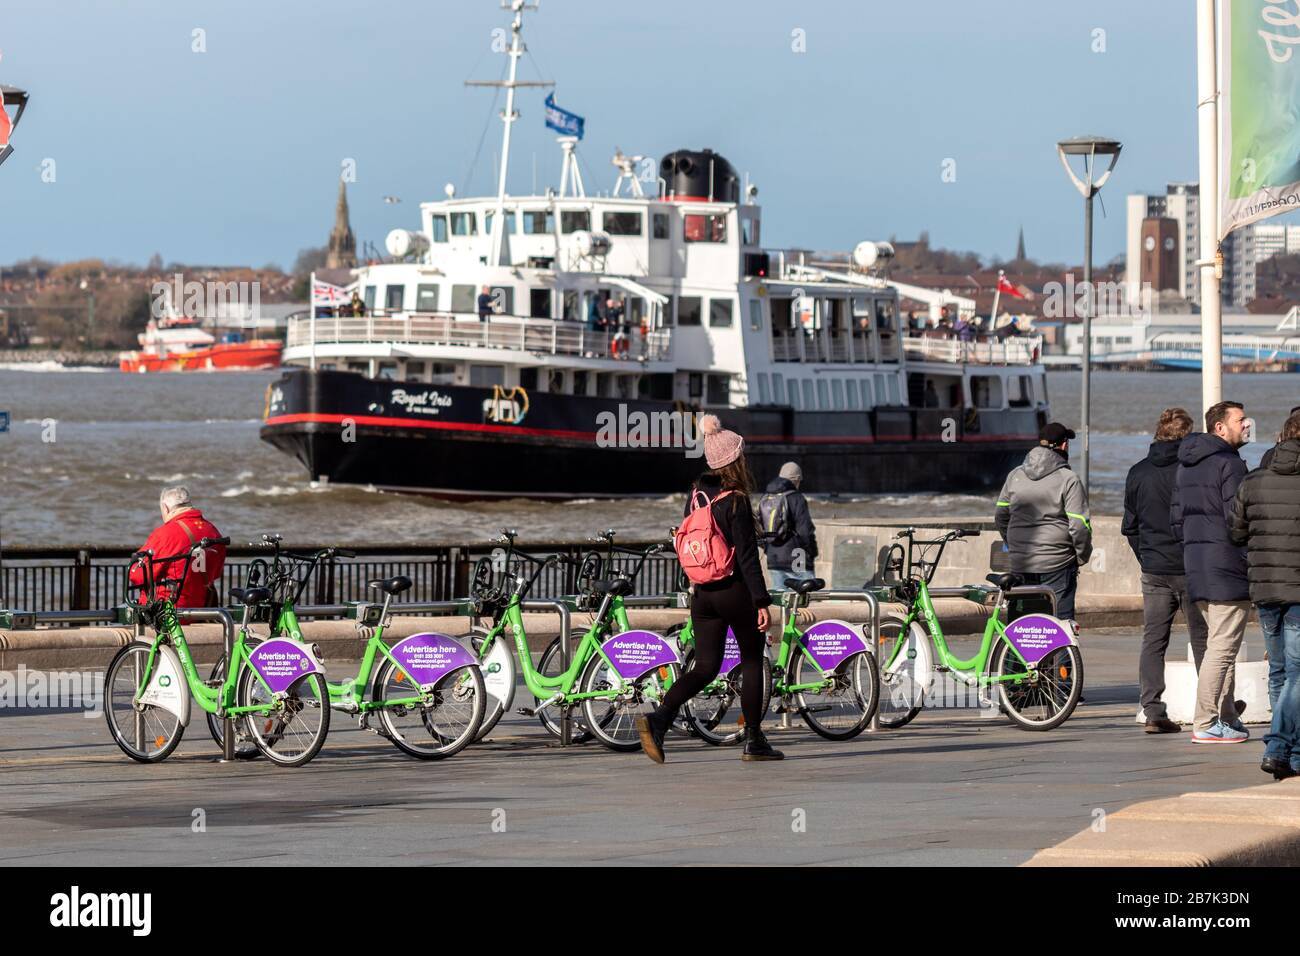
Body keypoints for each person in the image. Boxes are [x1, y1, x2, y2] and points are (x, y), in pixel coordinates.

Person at [637, 415, 779, 763]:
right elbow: (747, 558)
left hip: (702, 593)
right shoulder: (736, 500)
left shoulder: (696, 495)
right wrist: (761, 601)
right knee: (751, 660)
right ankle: (754, 740)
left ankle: (659, 718)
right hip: (733, 591)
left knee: (705, 666)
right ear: (735, 460)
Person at [1122, 407, 1208, 734]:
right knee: (1203, 639)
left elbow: (1130, 527)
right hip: (1189, 567)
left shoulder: (1137, 472)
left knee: (1153, 640)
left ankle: (1153, 710)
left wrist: (1147, 558)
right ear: (1187, 435)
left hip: (1154, 568)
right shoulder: (1191, 471)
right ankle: (1215, 706)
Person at [1172, 400, 1251, 744]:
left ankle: (1228, 716)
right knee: (1221, 648)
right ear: (1220, 427)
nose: (1246, 425)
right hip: (1227, 568)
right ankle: (1204, 720)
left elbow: (1177, 521)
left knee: (1223, 646)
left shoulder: (1186, 464)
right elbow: (1240, 520)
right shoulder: (1230, 464)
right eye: (1240, 420)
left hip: (1198, 567)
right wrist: (1247, 556)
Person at [1230, 410, 1300, 777]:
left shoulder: (1253, 481)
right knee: (1298, 673)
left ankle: (1289, 753)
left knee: (1279, 670)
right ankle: (1280, 746)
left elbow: (1236, 532)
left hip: (1265, 588)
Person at [993, 422, 1092, 623]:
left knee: (1021, 625)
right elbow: (1079, 525)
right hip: (1058, 562)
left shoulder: (1015, 475)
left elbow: (1001, 516)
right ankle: (1063, 655)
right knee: (1061, 625)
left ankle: (1012, 656)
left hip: (1022, 561)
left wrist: (1015, 546)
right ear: (1064, 446)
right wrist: (1082, 556)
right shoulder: (1068, 479)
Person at [129, 486, 226, 608]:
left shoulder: (166, 534)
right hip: (202, 608)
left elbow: (138, 575)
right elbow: (216, 573)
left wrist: (133, 566)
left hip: (167, 611)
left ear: (165, 508)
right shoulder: (212, 531)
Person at [761, 462, 818, 590]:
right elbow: (805, 532)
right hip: (798, 558)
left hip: (774, 559)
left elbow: (759, 529)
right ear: (796, 480)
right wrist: (811, 552)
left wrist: (768, 549)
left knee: (782, 603)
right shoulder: (796, 498)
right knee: (807, 601)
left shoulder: (766, 497)